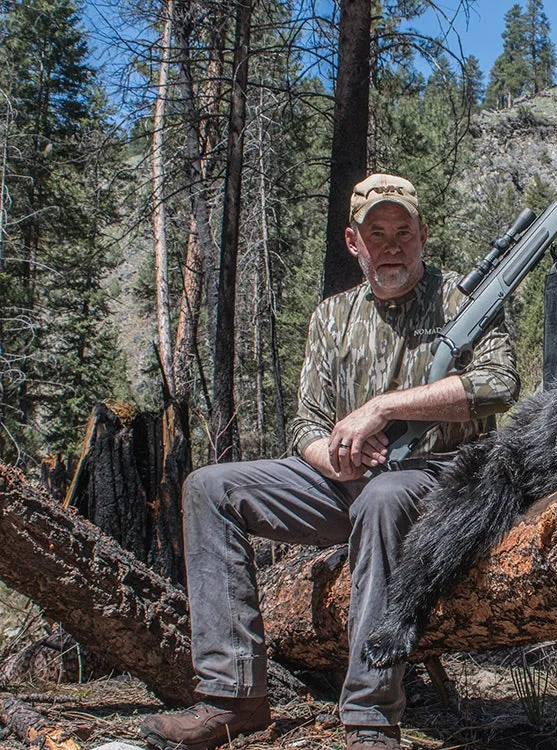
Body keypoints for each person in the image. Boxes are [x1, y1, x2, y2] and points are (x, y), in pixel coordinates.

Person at [139, 173, 520, 750]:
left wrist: (381, 408)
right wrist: (332, 457)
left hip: (444, 478)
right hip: (348, 482)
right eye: (377, 233)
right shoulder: (332, 317)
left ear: (423, 234)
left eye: (403, 231)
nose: (391, 245)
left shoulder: (462, 303)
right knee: (209, 487)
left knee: (384, 497)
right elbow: (307, 423)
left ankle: (369, 716)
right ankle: (231, 698)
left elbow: (499, 383)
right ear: (353, 242)